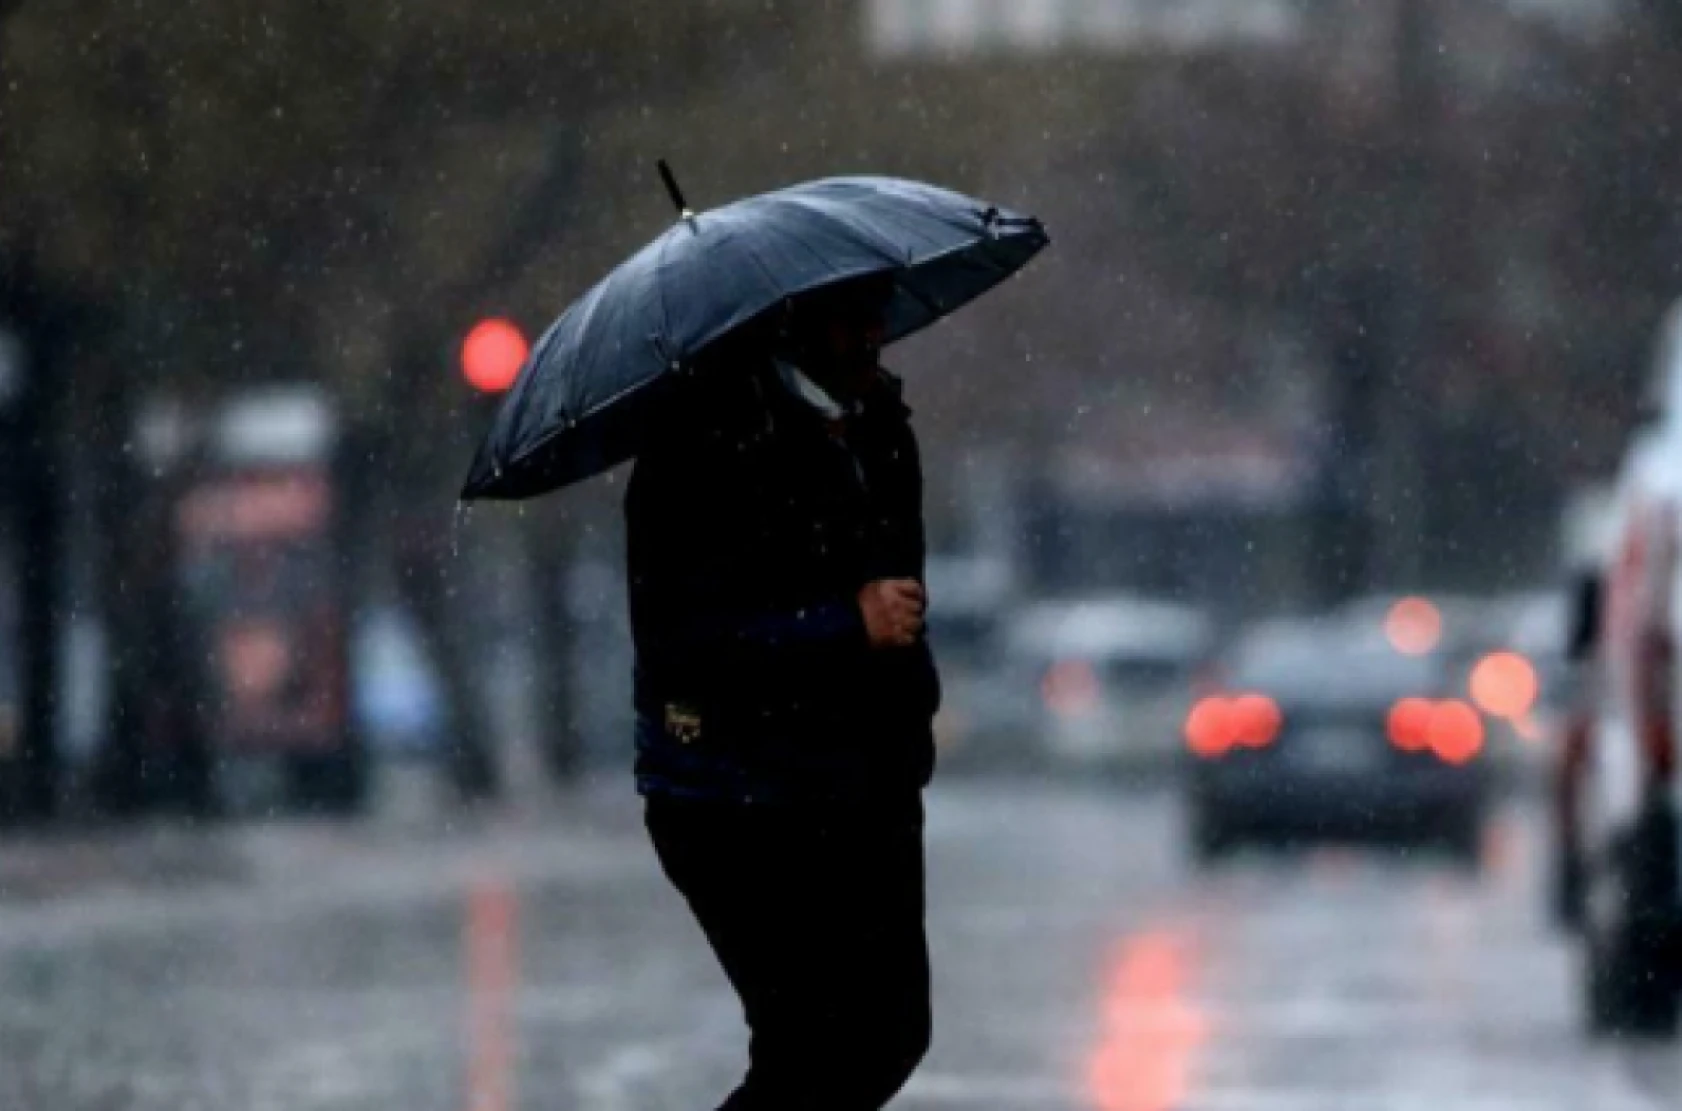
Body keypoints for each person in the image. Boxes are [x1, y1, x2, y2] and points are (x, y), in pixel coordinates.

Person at [625, 270, 941, 1111]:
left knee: (889, 1033)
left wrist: (910, 726)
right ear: (789, 329)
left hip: (864, 781)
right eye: (847, 321)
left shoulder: (883, 429)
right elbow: (683, 641)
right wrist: (841, 625)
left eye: (876, 316)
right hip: (734, 792)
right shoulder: (700, 442)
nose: (871, 336)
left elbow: (904, 595)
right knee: (813, 1040)